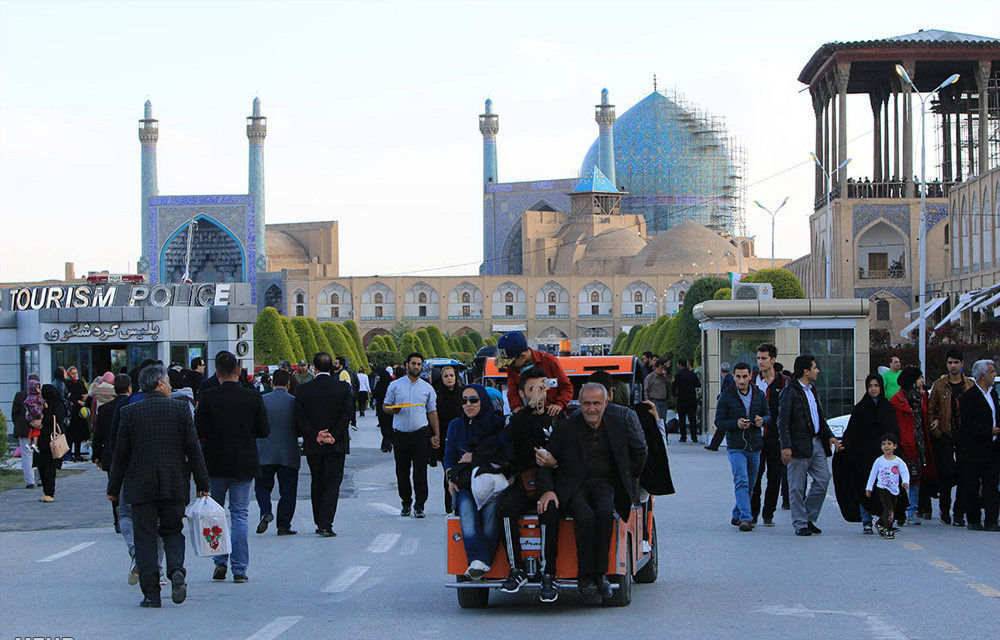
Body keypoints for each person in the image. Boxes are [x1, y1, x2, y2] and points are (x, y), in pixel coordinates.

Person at [106, 364, 211, 608]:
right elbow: (193, 450)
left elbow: (120, 454)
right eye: (168, 382)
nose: (171, 386)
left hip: (140, 487)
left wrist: (113, 488)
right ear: (160, 384)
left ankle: (152, 594)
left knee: (145, 539)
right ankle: (176, 571)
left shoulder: (130, 413)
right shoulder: (180, 409)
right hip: (174, 482)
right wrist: (203, 483)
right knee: (173, 531)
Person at [537, 383, 647, 599]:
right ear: (580, 403)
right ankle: (585, 575)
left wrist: (627, 474)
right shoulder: (566, 426)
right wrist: (547, 490)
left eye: (597, 403)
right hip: (574, 485)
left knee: (605, 514)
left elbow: (639, 451)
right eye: (586, 404)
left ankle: (601, 575)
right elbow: (545, 459)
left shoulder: (618, 424)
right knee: (586, 517)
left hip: (605, 484)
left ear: (606, 403)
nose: (592, 409)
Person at [195, 351, 270, 582]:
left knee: (215, 515)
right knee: (240, 514)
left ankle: (219, 562)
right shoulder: (253, 397)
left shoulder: (207, 397)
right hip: (244, 463)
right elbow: (264, 430)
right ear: (238, 371)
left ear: (217, 372)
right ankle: (240, 569)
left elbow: (198, 431)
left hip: (215, 464)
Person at [498, 367, 565, 602]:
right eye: (533, 389)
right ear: (523, 393)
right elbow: (509, 445)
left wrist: (554, 463)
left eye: (542, 388)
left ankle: (549, 573)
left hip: (552, 483)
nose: (539, 394)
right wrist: (528, 410)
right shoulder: (517, 419)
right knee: (505, 507)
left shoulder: (558, 417)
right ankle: (516, 569)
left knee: (549, 511)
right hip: (525, 481)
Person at [444, 384, 514, 580]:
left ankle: (483, 562)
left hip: (493, 483)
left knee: (491, 519)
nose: (468, 404)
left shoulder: (498, 425)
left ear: (483, 401)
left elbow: (505, 457)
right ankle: (478, 560)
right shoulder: (456, 426)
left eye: (473, 400)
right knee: (466, 514)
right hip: (465, 482)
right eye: (464, 400)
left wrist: (474, 458)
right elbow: (449, 456)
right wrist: (450, 476)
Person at [778, 355, 843, 536]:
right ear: (806, 371)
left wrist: (829, 436)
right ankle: (800, 523)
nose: (818, 371)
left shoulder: (812, 390)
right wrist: (786, 446)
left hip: (816, 443)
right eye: (815, 368)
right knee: (797, 487)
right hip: (797, 445)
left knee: (823, 479)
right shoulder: (790, 391)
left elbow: (819, 417)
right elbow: (782, 421)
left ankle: (809, 517)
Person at [295, 352, 354, 536]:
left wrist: (315, 435)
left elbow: (299, 417)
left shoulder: (304, 390)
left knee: (317, 481)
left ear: (314, 367)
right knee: (332, 483)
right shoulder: (343, 389)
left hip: (314, 445)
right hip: (336, 445)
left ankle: (318, 519)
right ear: (332, 367)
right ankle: (326, 523)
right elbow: (347, 414)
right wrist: (334, 434)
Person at [835, 373, 900, 534]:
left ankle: (884, 520)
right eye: (870, 386)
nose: (873, 389)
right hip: (863, 456)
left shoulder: (887, 407)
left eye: (876, 385)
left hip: (883, 456)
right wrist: (844, 447)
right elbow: (851, 432)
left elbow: (893, 431)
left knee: (885, 488)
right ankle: (866, 521)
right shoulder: (861, 408)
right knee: (864, 487)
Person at [383, 352, 440, 517]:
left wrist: (436, 434)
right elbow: (385, 406)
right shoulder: (395, 386)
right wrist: (393, 409)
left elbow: (432, 412)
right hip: (400, 435)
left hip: (420, 435)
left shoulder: (427, 388)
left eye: (419, 364)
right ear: (406, 364)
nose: (416, 367)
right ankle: (406, 502)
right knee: (402, 471)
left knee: (420, 471)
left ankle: (420, 505)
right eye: (413, 363)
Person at [714, 362, 770, 531]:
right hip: (736, 446)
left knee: (751, 484)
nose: (741, 380)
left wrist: (762, 420)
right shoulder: (726, 396)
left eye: (745, 376)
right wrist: (735, 424)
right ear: (733, 376)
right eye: (738, 376)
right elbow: (719, 421)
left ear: (750, 376)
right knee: (742, 480)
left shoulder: (758, 394)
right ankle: (747, 518)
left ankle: (737, 514)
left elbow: (769, 415)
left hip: (755, 445)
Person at [927, 349, 974, 526]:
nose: (953, 365)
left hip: (965, 437)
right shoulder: (939, 385)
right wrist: (937, 432)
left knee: (964, 475)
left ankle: (959, 512)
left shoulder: (970, 385)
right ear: (946, 364)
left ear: (962, 364)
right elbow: (930, 411)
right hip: (945, 436)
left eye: (956, 362)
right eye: (950, 362)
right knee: (946, 474)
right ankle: (944, 509)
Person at [255, 369, 300, 536]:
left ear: (271, 383)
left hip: (264, 451)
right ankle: (284, 525)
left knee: (262, 486)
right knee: (288, 489)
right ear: (289, 384)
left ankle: (265, 510)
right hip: (288, 452)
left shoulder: (261, 400)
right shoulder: (294, 402)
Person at [889, 366, 935, 525]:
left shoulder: (922, 398)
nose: (922, 381)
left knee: (916, 477)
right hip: (903, 444)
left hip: (919, 443)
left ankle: (912, 511)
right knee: (900, 477)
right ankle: (899, 509)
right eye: (919, 378)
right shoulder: (896, 400)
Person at [958, 359, 1000, 531]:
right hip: (975, 449)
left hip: (993, 448)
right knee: (973, 484)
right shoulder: (969, 397)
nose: (994, 374)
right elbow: (967, 424)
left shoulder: (993, 394)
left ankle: (991, 520)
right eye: (992, 372)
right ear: (982, 375)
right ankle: (973, 519)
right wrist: (987, 430)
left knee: (992, 485)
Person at [749, 344, 789, 526]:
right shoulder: (752, 382)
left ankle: (768, 513)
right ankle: (753, 513)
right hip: (755, 437)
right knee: (755, 477)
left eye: (764, 358)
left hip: (776, 437)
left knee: (775, 477)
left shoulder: (784, 383)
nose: (761, 362)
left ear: (773, 360)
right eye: (758, 358)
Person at [91, 374, 133, 533]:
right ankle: (129, 517)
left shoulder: (105, 409)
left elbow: (98, 435)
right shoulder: (133, 405)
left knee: (114, 486)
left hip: (111, 454)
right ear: (130, 388)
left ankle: (118, 520)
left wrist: (96, 455)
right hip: (130, 454)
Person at [495, 331, 573, 415]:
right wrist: (516, 408)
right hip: (527, 417)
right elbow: (512, 392)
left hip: (551, 415)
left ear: (523, 356)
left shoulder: (549, 361)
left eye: (512, 362)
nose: (508, 365)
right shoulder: (512, 367)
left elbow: (566, 387)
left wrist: (559, 404)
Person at [865, 433, 910, 539]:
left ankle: (880, 523)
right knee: (889, 510)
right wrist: (869, 487)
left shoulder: (898, 461)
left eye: (889, 444)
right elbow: (873, 475)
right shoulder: (879, 461)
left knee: (890, 509)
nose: (886, 446)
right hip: (882, 488)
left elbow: (904, 472)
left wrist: (905, 481)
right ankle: (887, 530)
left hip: (894, 489)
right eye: (884, 444)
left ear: (894, 446)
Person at [433, 364, 463, 514]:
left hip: (463, 440)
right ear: (442, 379)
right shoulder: (438, 396)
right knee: (449, 474)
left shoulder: (463, 394)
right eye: (446, 376)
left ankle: (461, 505)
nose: (449, 378)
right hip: (446, 440)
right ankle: (449, 507)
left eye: (451, 375)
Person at [35, 384, 68, 502]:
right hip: (43, 440)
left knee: (49, 467)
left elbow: (52, 419)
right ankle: (46, 491)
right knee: (42, 466)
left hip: (51, 439)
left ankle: (50, 492)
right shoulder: (47, 404)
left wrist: (43, 417)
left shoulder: (57, 405)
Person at [11, 375, 40, 489]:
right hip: (37, 429)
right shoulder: (40, 396)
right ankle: (40, 479)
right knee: (38, 453)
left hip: (23, 429)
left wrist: (18, 424)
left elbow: (14, 413)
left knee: (26, 455)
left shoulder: (20, 395)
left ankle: (30, 481)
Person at [673, 359, 701, 444]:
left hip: (681, 399)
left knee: (682, 419)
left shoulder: (678, 375)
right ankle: (694, 436)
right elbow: (698, 384)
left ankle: (683, 437)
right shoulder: (692, 374)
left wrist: (674, 395)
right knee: (692, 418)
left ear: (679, 365)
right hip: (691, 399)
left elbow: (674, 386)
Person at [64, 365, 90, 461]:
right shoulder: (67, 383)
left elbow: (84, 393)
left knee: (78, 435)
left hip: (79, 412)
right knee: (70, 434)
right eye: (73, 373)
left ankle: (78, 454)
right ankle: (69, 453)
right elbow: (69, 397)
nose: (75, 375)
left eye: (76, 373)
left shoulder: (80, 382)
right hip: (72, 412)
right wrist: (77, 401)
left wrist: (85, 397)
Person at [373, 365, 397, 453]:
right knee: (391, 425)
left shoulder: (380, 383)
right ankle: (392, 442)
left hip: (381, 407)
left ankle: (386, 444)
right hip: (391, 407)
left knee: (384, 425)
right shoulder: (392, 383)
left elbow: (375, 393)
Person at [644, 360, 671, 434]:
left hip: (663, 401)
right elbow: (646, 389)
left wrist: (666, 377)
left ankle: (664, 435)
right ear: (655, 368)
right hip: (655, 401)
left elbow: (669, 385)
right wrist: (647, 401)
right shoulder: (650, 377)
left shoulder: (663, 377)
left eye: (663, 368)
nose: (662, 370)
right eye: (660, 368)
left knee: (663, 420)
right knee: (657, 419)